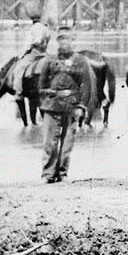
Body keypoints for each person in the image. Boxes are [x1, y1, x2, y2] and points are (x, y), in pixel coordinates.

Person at [38, 28, 92, 183]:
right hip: (52, 104)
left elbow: (86, 86)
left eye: (67, 39)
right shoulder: (49, 60)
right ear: (57, 41)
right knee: (49, 142)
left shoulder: (80, 60)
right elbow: (41, 85)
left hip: (72, 105)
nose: (64, 43)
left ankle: (62, 174)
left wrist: (81, 106)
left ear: (72, 41)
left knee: (67, 142)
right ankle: (48, 174)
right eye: (61, 39)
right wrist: (46, 100)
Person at [11, 5, 52, 101]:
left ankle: (18, 93)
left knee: (18, 70)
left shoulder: (33, 29)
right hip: (44, 53)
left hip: (35, 54)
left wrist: (22, 54)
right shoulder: (46, 29)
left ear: (32, 20)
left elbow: (29, 45)